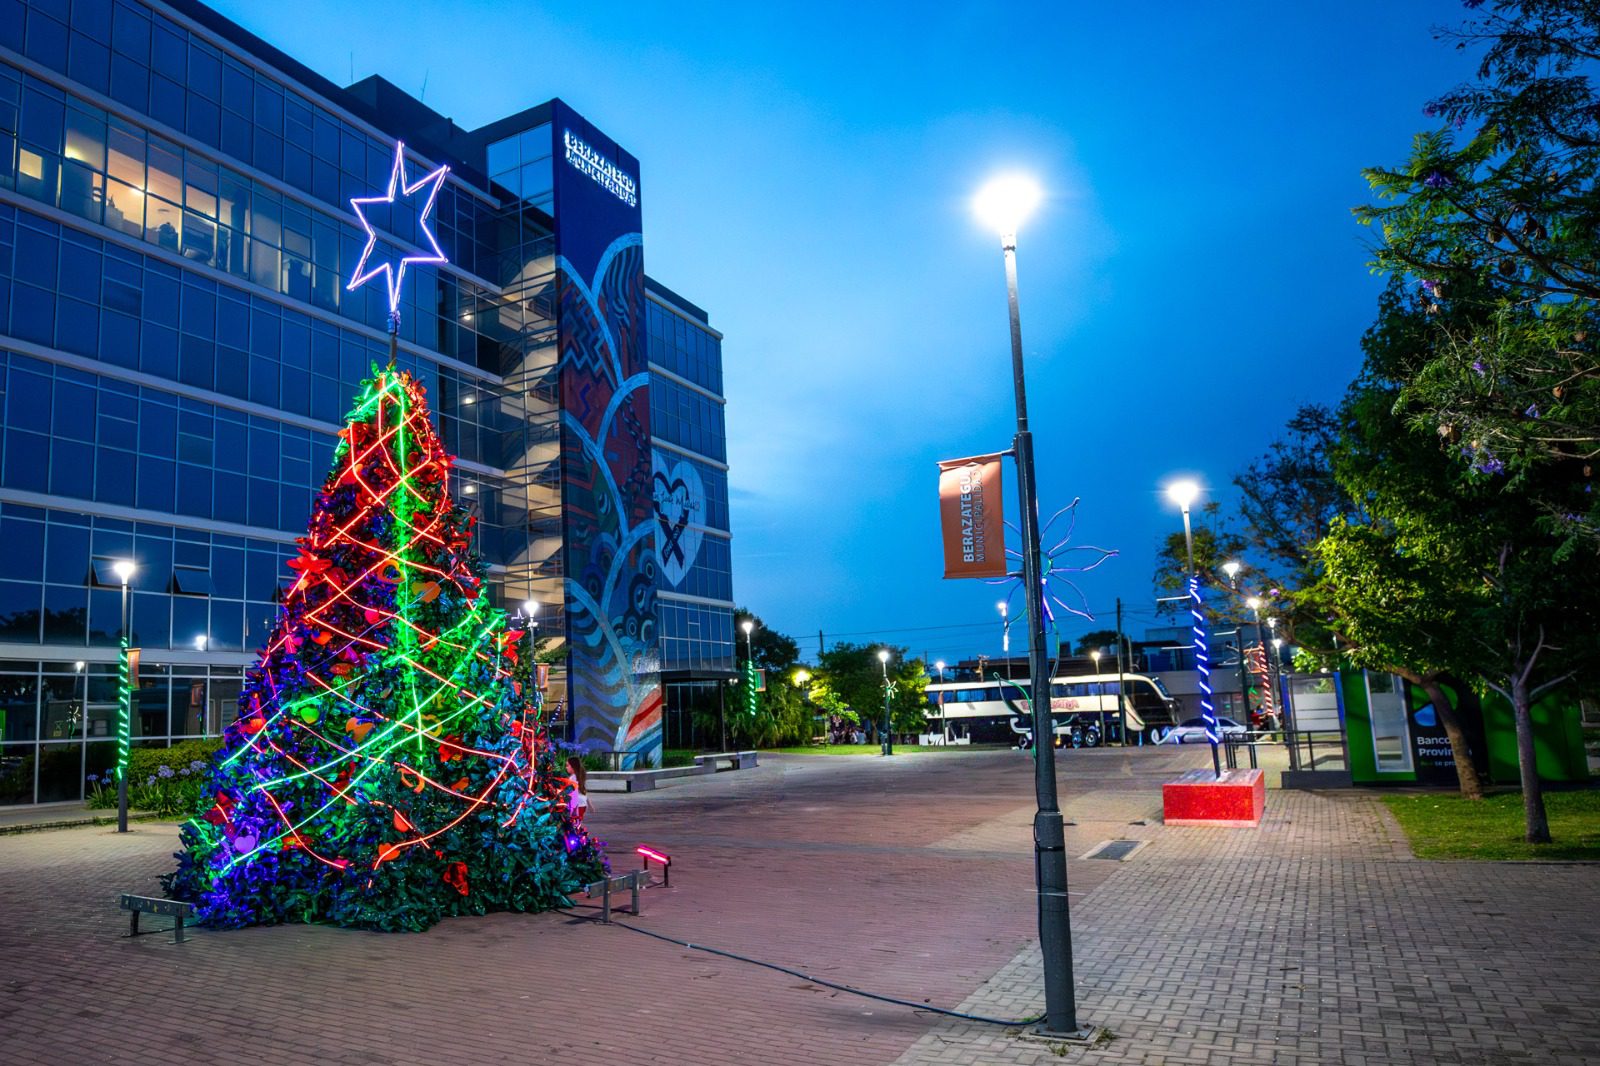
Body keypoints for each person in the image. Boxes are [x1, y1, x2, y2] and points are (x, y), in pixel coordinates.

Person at [566, 755, 589, 825]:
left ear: (573, 766)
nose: (566, 768)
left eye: (567, 765)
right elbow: (583, 790)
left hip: (577, 804)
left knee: (575, 824)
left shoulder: (572, 778)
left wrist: (572, 807)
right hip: (583, 803)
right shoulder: (579, 776)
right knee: (578, 823)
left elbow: (573, 792)